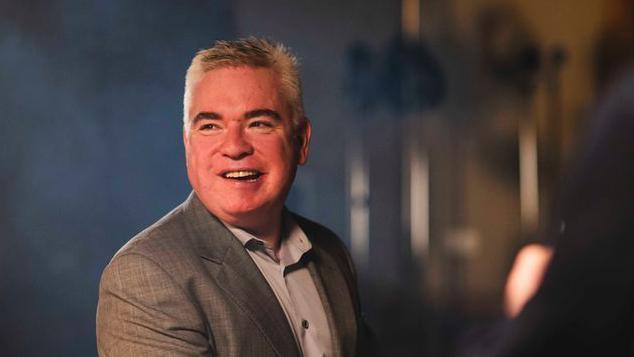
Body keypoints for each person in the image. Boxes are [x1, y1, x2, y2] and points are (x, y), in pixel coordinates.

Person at [97, 38, 369, 357]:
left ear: (301, 141)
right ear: (188, 145)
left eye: (259, 123)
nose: (235, 147)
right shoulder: (144, 275)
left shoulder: (331, 252)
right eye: (210, 125)